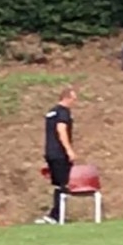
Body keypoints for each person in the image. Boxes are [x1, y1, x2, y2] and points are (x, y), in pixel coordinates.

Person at [38, 87, 77, 225]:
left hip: (50, 153)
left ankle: (58, 214)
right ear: (67, 98)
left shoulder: (51, 111)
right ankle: (56, 215)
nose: (74, 102)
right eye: (73, 99)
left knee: (58, 185)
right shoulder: (63, 112)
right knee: (63, 184)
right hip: (60, 153)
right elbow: (61, 130)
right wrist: (69, 150)